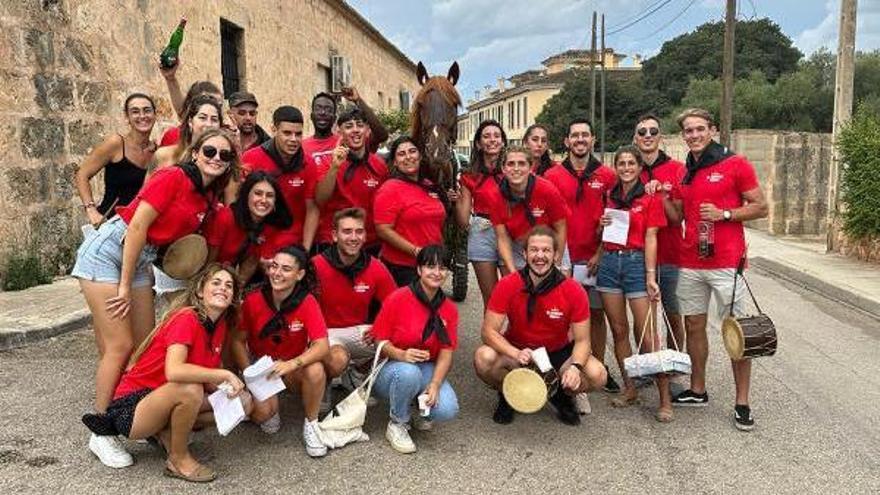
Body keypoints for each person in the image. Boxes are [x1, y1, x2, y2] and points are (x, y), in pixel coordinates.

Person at [71, 128, 239, 467]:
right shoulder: (172, 177)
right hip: (110, 253)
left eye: (225, 155)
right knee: (119, 345)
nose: (216, 159)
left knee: (144, 347)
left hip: (140, 259)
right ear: (195, 153)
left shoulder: (208, 198)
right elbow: (136, 227)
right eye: (210, 151)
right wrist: (123, 285)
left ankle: (142, 416)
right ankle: (101, 431)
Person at [82, 264, 252, 481]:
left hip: (162, 398)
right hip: (133, 407)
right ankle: (177, 459)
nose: (223, 288)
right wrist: (224, 375)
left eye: (229, 286)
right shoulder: (187, 318)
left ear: (233, 297)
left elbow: (205, 374)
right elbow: (175, 371)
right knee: (190, 389)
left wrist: (232, 388)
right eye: (216, 283)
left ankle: (166, 432)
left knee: (243, 401)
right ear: (200, 291)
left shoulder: (219, 326)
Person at [668, 108, 768, 431]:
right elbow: (676, 215)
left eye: (700, 129)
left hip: (727, 263)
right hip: (691, 263)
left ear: (712, 130)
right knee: (694, 326)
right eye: (688, 131)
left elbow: (760, 206)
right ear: (683, 135)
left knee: (737, 332)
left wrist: (725, 214)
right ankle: (698, 390)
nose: (694, 135)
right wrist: (662, 196)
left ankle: (742, 402)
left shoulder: (734, 163)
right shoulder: (688, 170)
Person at [474, 226, 607, 425]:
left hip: (557, 353)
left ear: (555, 255)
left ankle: (561, 395)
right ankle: (508, 394)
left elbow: (583, 340)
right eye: (534, 250)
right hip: (519, 351)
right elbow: (488, 332)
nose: (540, 256)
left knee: (598, 374)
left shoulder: (573, 290)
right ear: (525, 254)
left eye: (546, 250)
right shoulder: (508, 284)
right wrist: (514, 352)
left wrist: (575, 368)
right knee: (483, 357)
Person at [230, 246, 335, 457]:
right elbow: (238, 341)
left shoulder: (307, 300)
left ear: (300, 274)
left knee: (315, 368)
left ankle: (312, 423)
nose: (277, 273)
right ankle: (268, 403)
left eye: (286, 269)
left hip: (291, 367)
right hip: (263, 370)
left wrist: (292, 364)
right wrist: (250, 374)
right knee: (266, 420)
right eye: (274, 266)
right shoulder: (253, 300)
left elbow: (322, 345)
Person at [544, 117, 620, 393]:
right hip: (563, 259)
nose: (580, 140)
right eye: (574, 135)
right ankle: (564, 372)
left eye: (584, 135)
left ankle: (597, 365)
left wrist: (600, 252)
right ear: (566, 141)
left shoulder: (608, 176)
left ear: (593, 140)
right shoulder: (551, 176)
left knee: (597, 317)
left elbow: (614, 218)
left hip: (594, 259)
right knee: (563, 320)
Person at [596, 146, 672, 422]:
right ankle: (630, 388)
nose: (626, 167)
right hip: (609, 263)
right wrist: (601, 223)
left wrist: (651, 275)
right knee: (619, 330)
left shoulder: (650, 197)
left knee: (649, 335)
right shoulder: (609, 195)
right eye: (621, 163)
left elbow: (651, 237)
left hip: (636, 263)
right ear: (615, 167)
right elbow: (602, 232)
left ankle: (665, 399)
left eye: (631, 163)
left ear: (640, 167)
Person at [371, 244, 460, 454]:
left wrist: (436, 384)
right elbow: (378, 341)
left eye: (442, 268)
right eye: (430, 266)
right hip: (393, 367)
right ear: (419, 270)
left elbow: (447, 351)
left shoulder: (448, 308)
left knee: (447, 409)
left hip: (427, 367)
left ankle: (419, 408)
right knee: (408, 373)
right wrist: (401, 354)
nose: (437, 273)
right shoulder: (398, 298)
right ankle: (397, 422)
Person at [313, 208, 397, 373]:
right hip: (326, 333)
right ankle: (332, 379)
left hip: (360, 332)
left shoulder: (376, 267)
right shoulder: (316, 266)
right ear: (335, 236)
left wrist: (380, 326)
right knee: (338, 360)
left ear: (365, 236)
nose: (353, 237)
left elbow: (396, 306)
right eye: (347, 232)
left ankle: (357, 371)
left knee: (401, 338)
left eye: (359, 232)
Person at [633, 114, 687, 355]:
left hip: (670, 255)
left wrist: (661, 196)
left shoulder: (677, 170)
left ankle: (674, 364)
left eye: (652, 132)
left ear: (660, 137)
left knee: (673, 314)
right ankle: (647, 365)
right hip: (638, 257)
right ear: (635, 138)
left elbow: (677, 219)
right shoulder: (629, 170)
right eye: (642, 132)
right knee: (643, 318)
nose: (647, 136)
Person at [374, 135, 455, 286]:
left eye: (412, 151)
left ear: (420, 156)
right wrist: (416, 251)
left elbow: (439, 220)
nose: (408, 157)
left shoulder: (429, 186)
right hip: (402, 268)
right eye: (401, 154)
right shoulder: (389, 189)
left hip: (431, 266)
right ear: (395, 162)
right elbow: (383, 230)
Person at [238, 106, 320, 250]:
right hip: (257, 243)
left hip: (292, 245)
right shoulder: (251, 158)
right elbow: (239, 202)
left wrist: (305, 250)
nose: (293, 139)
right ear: (274, 130)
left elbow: (312, 209)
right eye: (287, 133)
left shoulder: (309, 163)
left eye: (298, 134)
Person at [314, 107, 389, 255]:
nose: (355, 130)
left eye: (360, 125)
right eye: (348, 126)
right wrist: (334, 167)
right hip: (333, 243)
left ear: (367, 130)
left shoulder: (379, 165)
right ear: (338, 131)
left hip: (369, 243)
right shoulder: (327, 161)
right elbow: (320, 199)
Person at [75, 93, 157, 226]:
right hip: (109, 223)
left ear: (154, 114)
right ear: (127, 117)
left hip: (139, 229)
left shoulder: (158, 152)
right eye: (135, 112)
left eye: (147, 110)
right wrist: (91, 210)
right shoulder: (116, 144)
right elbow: (81, 175)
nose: (142, 116)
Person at [204, 171, 292, 285]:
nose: (264, 200)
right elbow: (208, 262)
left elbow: (250, 264)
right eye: (258, 193)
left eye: (270, 196)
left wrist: (236, 293)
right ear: (246, 195)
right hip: (201, 274)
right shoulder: (226, 217)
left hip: (226, 281)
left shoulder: (268, 227)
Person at [492, 146, 569, 275]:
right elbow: (502, 237)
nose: (516, 169)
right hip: (518, 245)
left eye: (522, 164)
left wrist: (557, 262)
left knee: (558, 287)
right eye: (511, 164)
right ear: (503, 168)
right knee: (518, 289)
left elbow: (561, 228)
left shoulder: (547, 189)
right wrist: (512, 272)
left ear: (530, 167)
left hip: (550, 243)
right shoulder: (496, 196)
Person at [455, 120, 507, 307]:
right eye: (486, 136)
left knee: (514, 294)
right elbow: (462, 221)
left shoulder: (514, 170)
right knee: (492, 299)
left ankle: (515, 336)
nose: (492, 140)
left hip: (510, 232)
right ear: (478, 143)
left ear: (503, 141)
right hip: (482, 231)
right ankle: (490, 336)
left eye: (496, 136)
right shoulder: (469, 175)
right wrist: (457, 200)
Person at [302, 88, 388, 168]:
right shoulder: (301, 147)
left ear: (335, 118)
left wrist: (358, 100)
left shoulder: (349, 141)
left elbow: (381, 135)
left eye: (328, 109)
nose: (323, 112)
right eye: (318, 108)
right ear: (311, 116)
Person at [158, 60, 222, 147]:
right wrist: (171, 79)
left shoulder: (225, 140)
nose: (213, 108)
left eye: (219, 105)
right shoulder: (174, 136)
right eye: (208, 102)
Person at [153, 94, 223, 169]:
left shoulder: (223, 159)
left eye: (214, 119)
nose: (209, 124)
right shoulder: (165, 156)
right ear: (190, 121)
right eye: (202, 118)